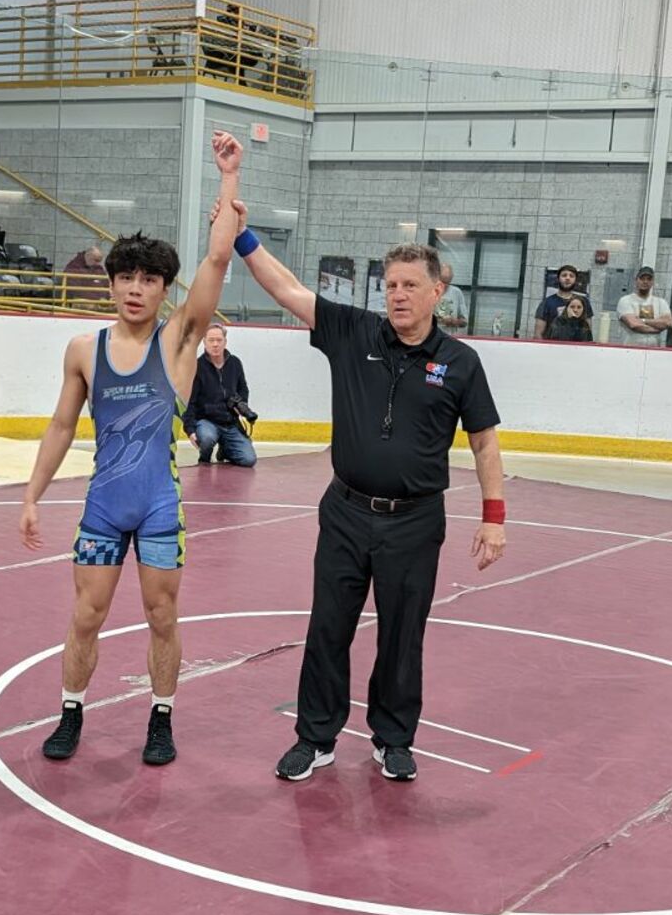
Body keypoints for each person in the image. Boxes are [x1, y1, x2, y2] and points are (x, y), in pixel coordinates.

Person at [230, 224, 505, 783]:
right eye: (389, 285)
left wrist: (494, 517)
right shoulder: (354, 332)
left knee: (403, 635)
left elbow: (484, 440)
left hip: (416, 521)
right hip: (346, 514)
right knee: (328, 626)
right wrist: (241, 233)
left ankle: (394, 740)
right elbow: (285, 289)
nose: (397, 294)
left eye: (409, 285)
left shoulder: (461, 362)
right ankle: (315, 737)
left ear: (436, 293)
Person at [18, 131, 244, 769]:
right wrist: (32, 495)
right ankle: (69, 711)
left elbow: (218, 263)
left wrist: (229, 178)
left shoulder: (177, 343)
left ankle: (161, 717)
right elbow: (62, 427)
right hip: (103, 505)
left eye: (149, 279)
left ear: (164, 288)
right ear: (111, 284)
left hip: (157, 506)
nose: (135, 288)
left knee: (161, 617)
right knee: (85, 616)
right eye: (125, 277)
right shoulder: (83, 352)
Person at [183, 323, 257, 467]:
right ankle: (204, 458)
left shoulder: (235, 363)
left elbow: (243, 390)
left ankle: (225, 450)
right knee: (207, 438)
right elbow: (189, 401)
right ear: (204, 342)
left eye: (219, 340)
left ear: (225, 342)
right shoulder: (197, 366)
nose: (215, 344)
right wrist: (190, 429)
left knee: (249, 460)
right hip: (206, 421)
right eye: (211, 340)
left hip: (231, 423)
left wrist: (241, 405)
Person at [615, 266, 672, 346]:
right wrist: (657, 328)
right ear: (636, 280)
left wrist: (643, 321)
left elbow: (668, 322)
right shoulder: (625, 300)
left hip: (654, 351)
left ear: (653, 282)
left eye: (649, 279)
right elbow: (634, 324)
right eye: (642, 278)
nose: (645, 282)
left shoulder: (661, 302)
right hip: (630, 351)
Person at [534, 264, 591, 336]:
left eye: (571, 276)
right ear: (558, 279)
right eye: (564, 275)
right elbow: (538, 334)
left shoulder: (584, 302)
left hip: (576, 346)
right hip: (552, 345)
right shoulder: (547, 303)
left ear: (575, 280)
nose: (567, 278)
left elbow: (588, 332)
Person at [61, 243, 109, 309]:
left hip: (101, 304)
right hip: (84, 304)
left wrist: (109, 298)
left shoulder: (98, 269)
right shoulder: (74, 268)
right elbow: (75, 291)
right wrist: (98, 300)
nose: (98, 263)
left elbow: (107, 285)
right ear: (88, 255)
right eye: (96, 260)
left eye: (100, 261)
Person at [435, 260, 468, 332]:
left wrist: (453, 321)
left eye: (448, 282)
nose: (445, 285)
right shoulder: (428, 291)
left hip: (449, 338)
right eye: (442, 281)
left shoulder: (457, 293)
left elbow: (464, 322)